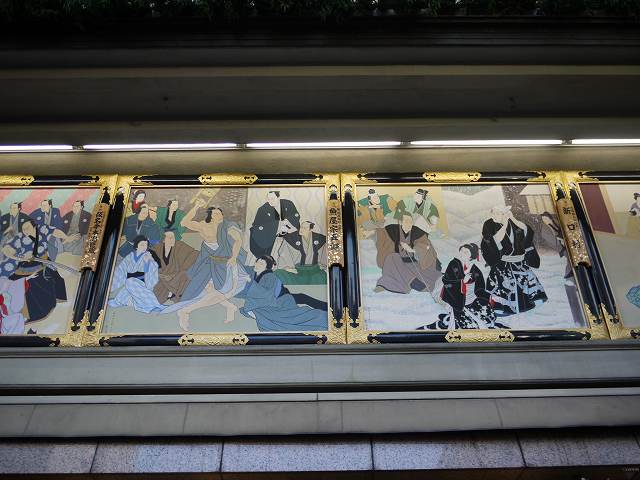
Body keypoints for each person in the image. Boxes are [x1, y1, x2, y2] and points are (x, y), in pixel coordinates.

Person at [169, 199, 251, 330]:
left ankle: (187, 310)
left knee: (224, 290)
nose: (220, 216)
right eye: (216, 214)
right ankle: (229, 307)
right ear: (210, 216)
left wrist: (234, 257)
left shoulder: (227, 226)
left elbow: (238, 240)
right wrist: (196, 206)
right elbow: (184, 222)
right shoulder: (203, 226)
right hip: (207, 260)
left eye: (220, 213)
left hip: (225, 261)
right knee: (205, 288)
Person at [481, 205, 547, 316]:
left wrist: (512, 219)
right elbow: (493, 240)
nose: (494, 216)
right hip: (503, 262)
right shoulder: (489, 224)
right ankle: (502, 308)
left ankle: (529, 303)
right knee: (504, 285)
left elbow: (527, 231)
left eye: (497, 213)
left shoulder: (514, 223)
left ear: (504, 214)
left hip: (519, 261)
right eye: (493, 213)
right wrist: (505, 225)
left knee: (524, 281)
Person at [0, 219, 67, 324]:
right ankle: (18, 313)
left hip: (43, 262)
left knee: (52, 280)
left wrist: (66, 238)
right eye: (23, 229)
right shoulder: (20, 237)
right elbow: (6, 249)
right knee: (16, 285)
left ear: (34, 226)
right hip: (26, 265)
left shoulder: (42, 229)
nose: (25, 230)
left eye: (27, 228)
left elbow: (56, 232)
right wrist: (20, 258)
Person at [422, 243, 500, 330]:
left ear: (471, 256)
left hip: (472, 299)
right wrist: (462, 281)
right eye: (461, 251)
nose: (462, 253)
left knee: (485, 315)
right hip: (457, 299)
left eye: (466, 252)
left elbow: (479, 288)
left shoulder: (475, 269)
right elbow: (447, 281)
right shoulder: (453, 264)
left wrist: (488, 297)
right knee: (466, 324)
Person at [239, 255, 327, 332]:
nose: (257, 265)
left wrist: (251, 282)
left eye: (261, 264)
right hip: (274, 299)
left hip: (281, 299)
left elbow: (266, 294)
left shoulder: (269, 276)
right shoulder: (255, 273)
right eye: (257, 262)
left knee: (296, 311)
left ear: (267, 267)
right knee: (302, 297)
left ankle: (323, 311)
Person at [374, 211, 441, 295]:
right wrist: (375, 231)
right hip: (400, 265)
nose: (409, 224)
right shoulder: (393, 232)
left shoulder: (418, 232)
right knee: (391, 258)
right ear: (400, 222)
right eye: (406, 221)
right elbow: (382, 237)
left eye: (410, 221)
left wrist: (412, 250)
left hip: (417, 265)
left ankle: (415, 283)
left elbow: (424, 245)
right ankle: (411, 282)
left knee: (396, 263)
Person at [108, 235, 165, 313]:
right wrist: (111, 286)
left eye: (146, 245)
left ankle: (154, 305)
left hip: (143, 282)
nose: (144, 247)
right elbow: (121, 270)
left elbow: (153, 267)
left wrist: (147, 262)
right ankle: (150, 306)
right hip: (131, 282)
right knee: (125, 292)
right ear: (136, 245)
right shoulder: (130, 256)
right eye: (142, 245)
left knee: (129, 283)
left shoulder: (148, 255)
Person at [151, 229, 198, 303]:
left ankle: (172, 293)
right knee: (155, 290)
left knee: (185, 275)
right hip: (162, 277)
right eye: (169, 238)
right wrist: (160, 274)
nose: (172, 240)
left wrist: (182, 269)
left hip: (176, 276)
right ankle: (170, 294)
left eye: (173, 238)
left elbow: (194, 254)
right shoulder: (157, 248)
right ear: (163, 240)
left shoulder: (180, 245)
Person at [249, 190, 300, 259]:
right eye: (268, 199)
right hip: (270, 233)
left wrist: (287, 223)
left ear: (278, 197)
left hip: (288, 229)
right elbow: (258, 225)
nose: (270, 201)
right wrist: (278, 224)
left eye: (272, 198)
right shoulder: (263, 209)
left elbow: (296, 215)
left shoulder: (288, 203)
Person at [274, 221, 327, 285]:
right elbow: (283, 254)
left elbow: (324, 258)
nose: (301, 229)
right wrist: (287, 267)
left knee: (323, 276)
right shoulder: (291, 238)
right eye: (301, 227)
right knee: (278, 273)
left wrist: (322, 265)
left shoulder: (320, 238)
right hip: (296, 270)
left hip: (314, 271)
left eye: (305, 228)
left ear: (310, 229)